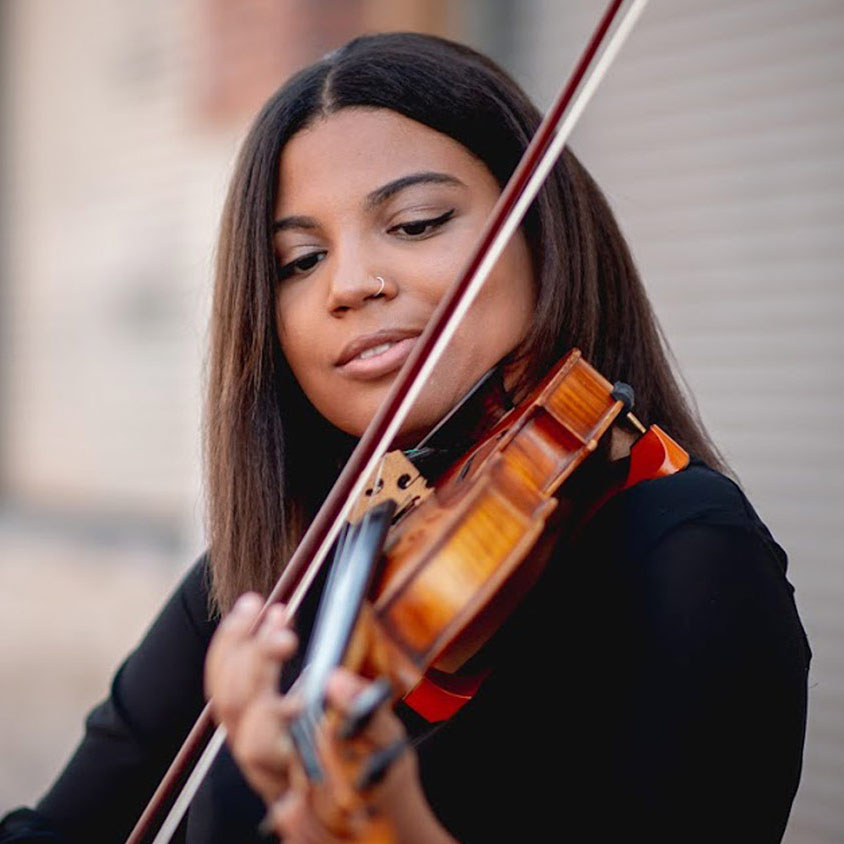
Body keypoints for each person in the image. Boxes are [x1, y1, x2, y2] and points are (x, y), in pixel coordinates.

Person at [0, 32, 810, 844]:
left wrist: (386, 825)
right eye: (301, 260)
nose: (350, 283)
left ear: (540, 232)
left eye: (417, 224)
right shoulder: (287, 566)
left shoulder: (688, 555)